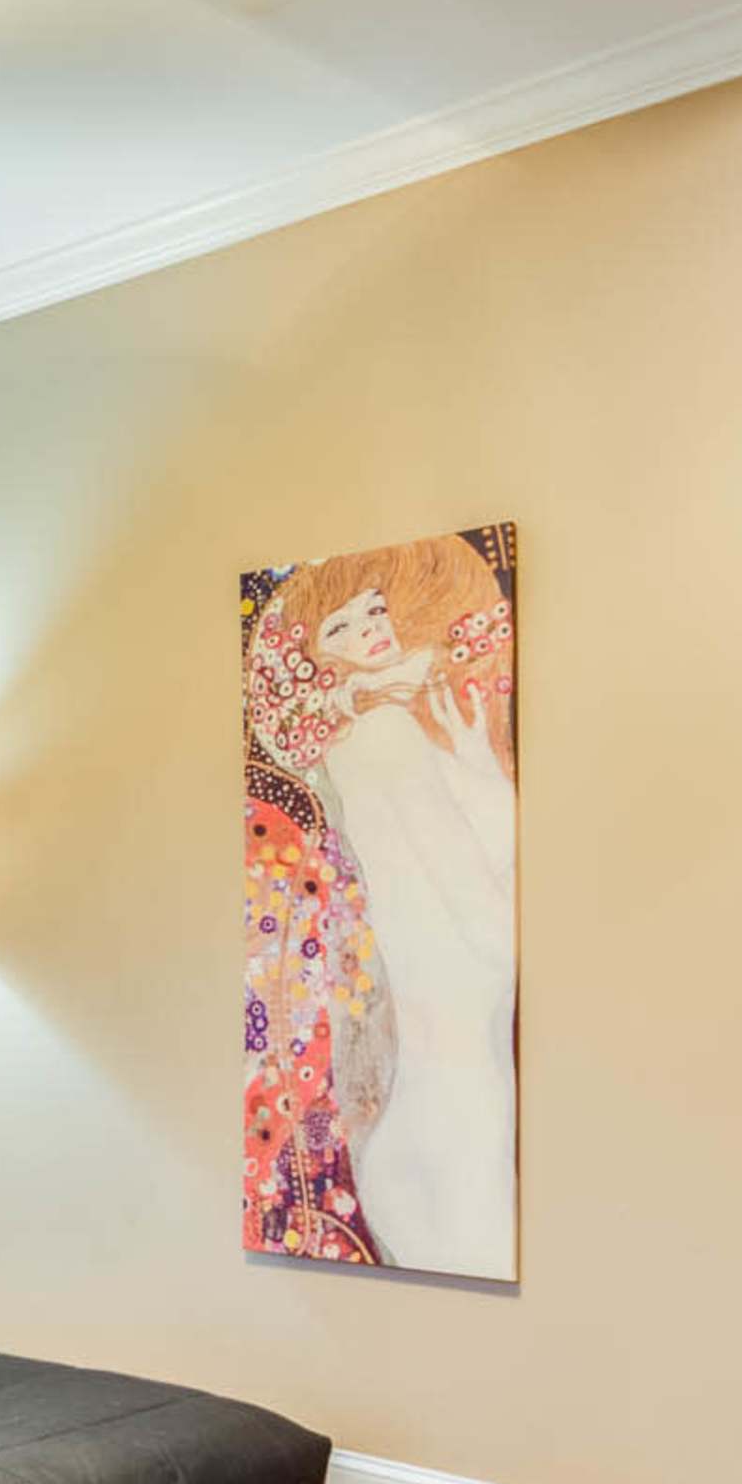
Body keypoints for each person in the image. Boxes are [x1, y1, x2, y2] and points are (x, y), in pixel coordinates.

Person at [247, 535, 515, 1278]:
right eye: (341, 626)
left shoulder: (398, 721)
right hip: (451, 1005)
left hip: (444, 1009)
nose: (371, 629)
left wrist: (472, 757)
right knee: (469, 1125)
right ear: (316, 659)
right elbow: (464, 883)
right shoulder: (383, 734)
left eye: (373, 608)